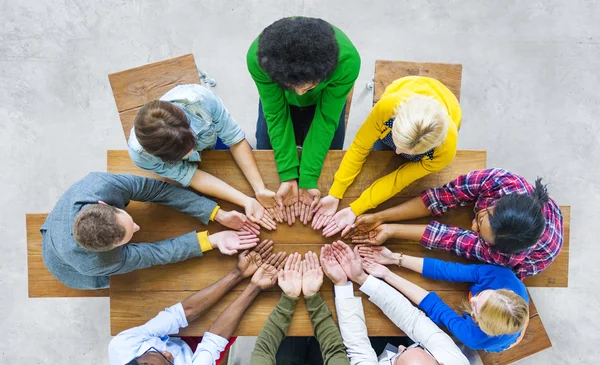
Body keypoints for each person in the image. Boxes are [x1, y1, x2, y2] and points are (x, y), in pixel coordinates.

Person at [109, 242, 286, 365]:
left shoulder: (122, 345)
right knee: (245, 317)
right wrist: (254, 287)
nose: (169, 354)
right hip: (192, 360)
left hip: (169, 336)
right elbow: (213, 341)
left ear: (133, 359)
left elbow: (183, 313)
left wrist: (238, 273)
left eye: (156, 352)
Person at [323, 241, 485, 365]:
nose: (400, 347)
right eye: (412, 350)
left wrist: (342, 285)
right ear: (440, 363)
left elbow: (358, 348)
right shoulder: (455, 363)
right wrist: (362, 279)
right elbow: (413, 319)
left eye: (399, 356)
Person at [41, 173, 259, 290]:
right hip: (68, 269)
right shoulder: (97, 263)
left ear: (104, 203)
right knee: (129, 281)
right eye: (130, 236)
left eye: (130, 223)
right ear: (111, 250)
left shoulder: (99, 184)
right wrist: (211, 240)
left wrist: (216, 213)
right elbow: (155, 254)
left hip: (63, 218)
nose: (138, 227)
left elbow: (157, 190)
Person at [350, 168, 564, 279]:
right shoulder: (502, 180)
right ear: (496, 202)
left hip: (539, 254)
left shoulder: (508, 256)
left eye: (480, 235)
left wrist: (392, 230)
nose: (472, 228)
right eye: (480, 219)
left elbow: (452, 239)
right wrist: (382, 217)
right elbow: (443, 197)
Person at [314, 76, 461, 235]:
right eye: (396, 143)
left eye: (407, 151)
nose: (397, 152)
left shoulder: (445, 151)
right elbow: (359, 147)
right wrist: (336, 192)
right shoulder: (388, 107)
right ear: (395, 120)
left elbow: (398, 180)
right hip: (406, 88)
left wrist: (356, 208)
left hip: (449, 108)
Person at [248, 17, 361, 225]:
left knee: (330, 158)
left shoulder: (348, 61)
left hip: (323, 104)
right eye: (294, 86)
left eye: (308, 87)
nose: (300, 94)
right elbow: (275, 113)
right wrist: (288, 174)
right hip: (279, 101)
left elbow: (326, 119)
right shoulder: (258, 59)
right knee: (266, 152)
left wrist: (308, 177)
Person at [128, 84, 280, 227]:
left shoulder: (202, 101)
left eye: (191, 144)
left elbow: (235, 140)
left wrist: (259, 189)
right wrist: (246, 201)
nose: (191, 153)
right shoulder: (141, 156)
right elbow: (191, 175)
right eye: (182, 154)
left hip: (211, 141)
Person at [359, 246, 530, 352]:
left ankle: (515, 336)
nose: (472, 301)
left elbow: (436, 308)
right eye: (481, 295)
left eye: (475, 311)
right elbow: (449, 270)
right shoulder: (502, 275)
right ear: (502, 291)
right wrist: (395, 258)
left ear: (479, 323)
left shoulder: (475, 338)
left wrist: (387, 275)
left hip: (501, 340)